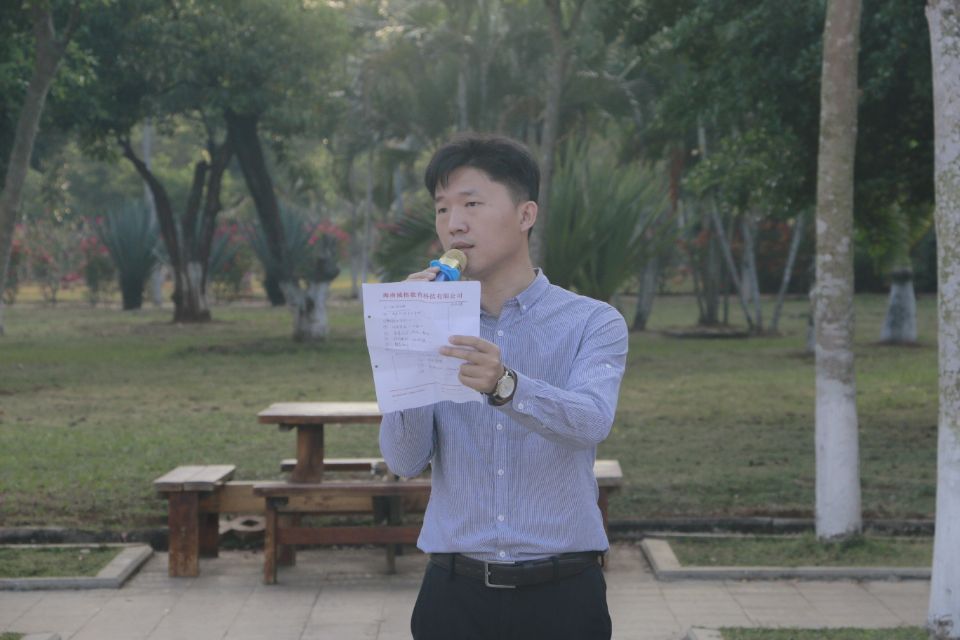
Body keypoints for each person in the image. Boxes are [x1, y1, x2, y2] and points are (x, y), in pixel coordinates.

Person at [379, 133, 628, 640]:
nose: (454, 223)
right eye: (442, 208)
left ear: (525, 215)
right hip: (454, 595)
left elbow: (591, 422)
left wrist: (506, 384)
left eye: (471, 203)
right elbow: (404, 460)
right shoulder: (434, 325)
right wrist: (408, 348)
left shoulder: (592, 321)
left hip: (563, 595)